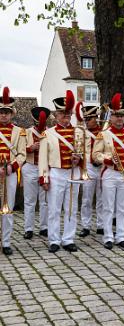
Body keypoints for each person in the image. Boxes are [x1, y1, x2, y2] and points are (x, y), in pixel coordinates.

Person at [92, 94, 124, 249]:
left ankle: (121, 236)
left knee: (122, 207)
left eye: (121, 116)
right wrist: (106, 159)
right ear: (111, 117)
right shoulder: (103, 134)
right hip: (109, 173)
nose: (119, 119)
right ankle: (108, 236)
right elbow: (95, 155)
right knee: (107, 206)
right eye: (116, 116)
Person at [38, 90, 84, 253]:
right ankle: (54, 240)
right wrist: (44, 178)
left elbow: (84, 152)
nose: (66, 116)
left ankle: (68, 239)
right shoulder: (48, 134)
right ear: (56, 115)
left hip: (73, 173)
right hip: (56, 173)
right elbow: (43, 158)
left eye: (68, 113)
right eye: (62, 113)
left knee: (72, 208)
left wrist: (80, 160)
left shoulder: (79, 132)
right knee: (54, 208)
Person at [0, 87, 27, 255]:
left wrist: (11, 166)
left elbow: (22, 154)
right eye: (1, 112)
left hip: (9, 173)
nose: (3, 115)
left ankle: (6, 242)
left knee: (8, 208)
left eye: (7, 112)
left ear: (12, 114)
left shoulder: (19, 131)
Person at [76, 104, 104, 237]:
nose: (86, 121)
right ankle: (86, 226)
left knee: (102, 198)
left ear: (96, 118)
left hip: (103, 167)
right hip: (89, 167)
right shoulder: (82, 133)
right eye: (85, 119)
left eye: (89, 119)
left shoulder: (104, 133)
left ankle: (101, 225)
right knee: (86, 199)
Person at [23, 106, 49, 240]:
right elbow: (19, 149)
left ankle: (44, 227)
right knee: (29, 200)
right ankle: (28, 228)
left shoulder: (50, 132)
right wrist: (30, 148)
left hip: (45, 168)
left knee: (45, 200)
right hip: (30, 166)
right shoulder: (26, 132)